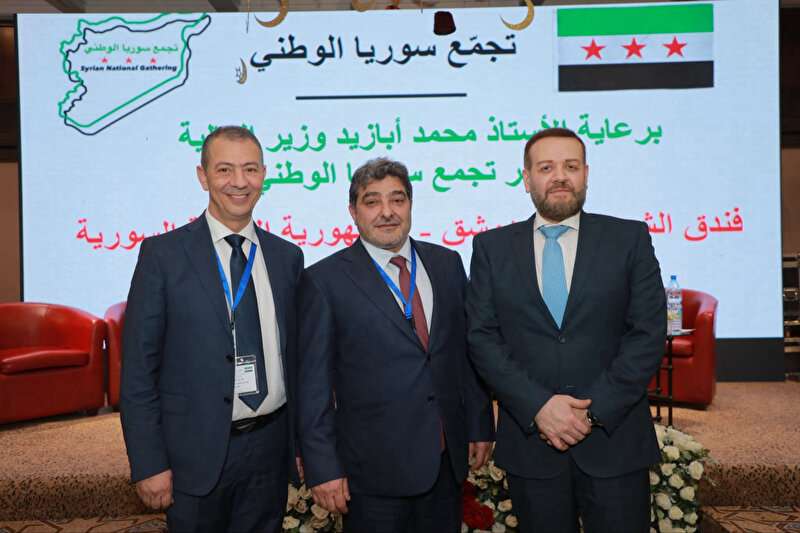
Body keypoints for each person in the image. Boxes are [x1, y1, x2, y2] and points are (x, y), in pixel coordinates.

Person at [465, 128, 666, 532]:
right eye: (546, 168)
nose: (560, 176)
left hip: (615, 442)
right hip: (532, 447)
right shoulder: (491, 248)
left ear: (586, 174)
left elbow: (647, 334)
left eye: (570, 166)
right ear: (527, 179)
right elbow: (482, 338)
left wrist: (591, 413)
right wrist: (539, 406)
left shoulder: (629, 239)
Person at [119, 126, 304, 533]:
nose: (239, 182)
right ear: (203, 177)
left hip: (270, 448)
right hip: (193, 452)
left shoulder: (287, 257)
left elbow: (296, 361)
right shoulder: (163, 256)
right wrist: (149, 463)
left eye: (250, 169)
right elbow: (137, 373)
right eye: (224, 170)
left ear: (264, 175)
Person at [295, 157, 495, 533]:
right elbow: (312, 384)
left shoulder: (447, 263)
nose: (387, 212)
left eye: (397, 199)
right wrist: (322, 466)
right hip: (371, 475)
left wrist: (480, 424)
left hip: (445, 464)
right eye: (372, 201)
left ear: (410, 205)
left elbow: (466, 354)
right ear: (353, 212)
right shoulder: (324, 280)